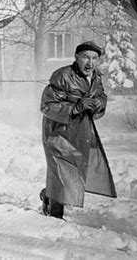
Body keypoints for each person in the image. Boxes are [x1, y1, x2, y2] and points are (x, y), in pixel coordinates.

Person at [40, 41, 117, 218]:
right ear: (76, 57)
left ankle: (48, 196)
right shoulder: (62, 76)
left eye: (94, 58)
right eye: (85, 57)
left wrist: (98, 104)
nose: (90, 63)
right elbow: (46, 106)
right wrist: (74, 108)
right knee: (60, 168)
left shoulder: (96, 77)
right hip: (58, 130)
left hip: (81, 131)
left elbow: (101, 97)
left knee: (75, 169)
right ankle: (54, 215)